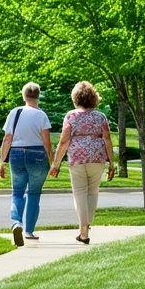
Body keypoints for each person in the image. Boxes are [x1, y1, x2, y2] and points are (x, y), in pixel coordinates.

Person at [50, 81, 115, 244]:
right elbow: (107, 139)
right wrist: (112, 163)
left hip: (77, 158)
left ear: (76, 98)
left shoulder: (71, 116)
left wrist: (55, 164)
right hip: (97, 157)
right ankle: (87, 225)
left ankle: (83, 231)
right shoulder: (101, 117)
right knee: (93, 192)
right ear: (94, 98)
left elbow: (64, 141)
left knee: (79, 193)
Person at [0, 82, 52, 246]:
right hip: (37, 154)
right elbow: (47, 142)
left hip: (16, 153)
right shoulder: (41, 115)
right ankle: (29, 231)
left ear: (24, 95)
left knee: (17, 192)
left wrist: (1, 161)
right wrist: (52, 162)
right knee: (34, 193)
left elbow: (7, 138)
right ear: (38, 95)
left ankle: (16, 222)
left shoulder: (14, 113)